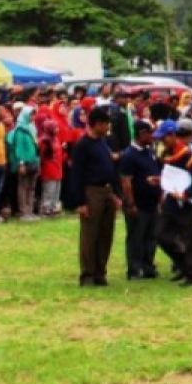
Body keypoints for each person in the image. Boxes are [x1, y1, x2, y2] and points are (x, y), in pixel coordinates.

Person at [69, 106, 123, 287]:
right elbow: (76, 174)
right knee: (90, 235)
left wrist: (115, 193)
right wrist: (80, 202)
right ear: (97, 124)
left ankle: (101, 272)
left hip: (107, 191)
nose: (108, 127)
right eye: (106, 124)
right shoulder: (83, 145)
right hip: (92, 192)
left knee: (106, 234)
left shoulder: (102, 142)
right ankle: (88, 274)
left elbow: (111, 168)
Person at [156, 119, 192, 286]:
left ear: (172, 135)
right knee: (160, 234)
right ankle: (183, 264)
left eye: (164, 137)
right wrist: (159, 181)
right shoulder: (166, 154)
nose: (162, 141)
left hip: (186, 202)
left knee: (189, 238)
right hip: (171, 200)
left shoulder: (187, 154)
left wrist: (185, 194)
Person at [118, 120, 162, 278]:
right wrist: (130, 204)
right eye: (150, 133)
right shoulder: (129, 155)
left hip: (151, 202)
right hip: (138, 203)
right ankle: (135, 268)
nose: (152, 137)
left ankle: (148, 265)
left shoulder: (148, 151)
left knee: (151, 236)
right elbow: (126, 181)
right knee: (136, 236)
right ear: (142, 134)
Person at [11, 106, 40, 221]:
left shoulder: (32, 128)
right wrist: (21, 163)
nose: (33, 117)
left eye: (34, 114)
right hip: (24, 162)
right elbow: (19, 148)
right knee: (23, 186)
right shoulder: (20, 130)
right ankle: (23, 211)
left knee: (32, 187)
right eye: (31, 114)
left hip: (34, 160)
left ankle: (30, 210)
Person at [38, 120, 64, 217]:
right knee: (49, 190)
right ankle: (45, 209)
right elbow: (42, 155)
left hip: (57, 167)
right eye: (55, 128)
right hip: (49, 168)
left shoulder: (56, 139)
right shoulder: (44, 140)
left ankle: (53, 208)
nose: (57, 129)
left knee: (56, 190)